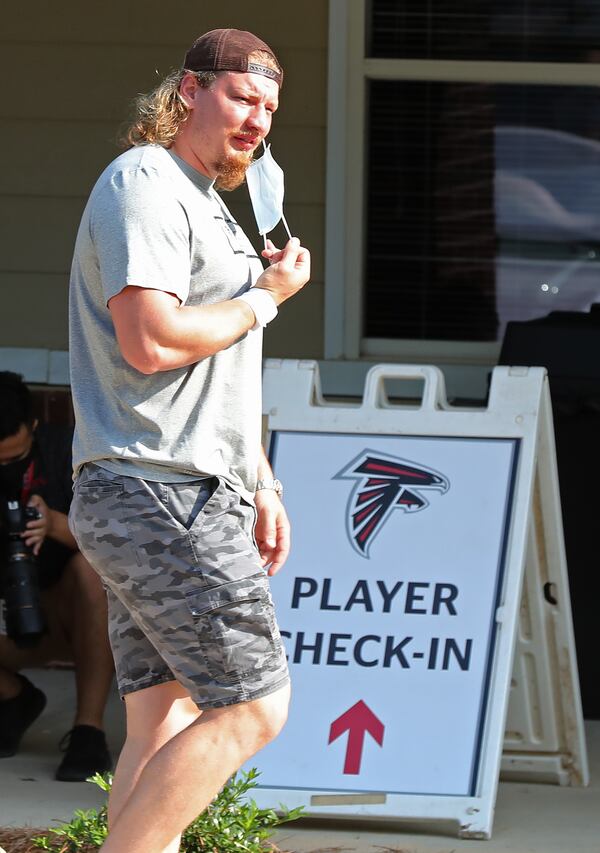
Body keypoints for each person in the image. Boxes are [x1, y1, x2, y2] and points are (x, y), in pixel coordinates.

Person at [68, 28, 310, 853]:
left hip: (178, 485)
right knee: (251, 705)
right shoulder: (145, 181)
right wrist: (268, 296)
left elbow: (218, 374)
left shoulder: (210, 203)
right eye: (243, 97)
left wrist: (264, 481)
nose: (257, 120)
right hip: (158, 486)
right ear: (188, 92)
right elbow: (150, 340)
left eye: (269, 108)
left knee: (161, 718)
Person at [0, 371, 114, 781]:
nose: (5, 469)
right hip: (5, 620)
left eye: (13, 459)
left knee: (90, 570)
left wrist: (54, 525)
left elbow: (116, 548)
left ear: (33, 427)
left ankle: (88, 731)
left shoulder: (70, 452)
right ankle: (14, 698)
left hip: (70, 615)